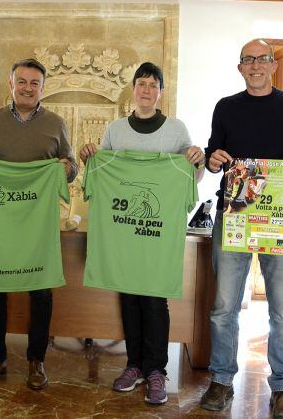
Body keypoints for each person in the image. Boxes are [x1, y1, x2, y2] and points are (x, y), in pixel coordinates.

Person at [201, 39, 283, 418]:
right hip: (235, 215)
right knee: (224, 307)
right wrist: (214, 159)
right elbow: (211, 157)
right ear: (240, 67)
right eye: (248, 60)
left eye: (263, 59)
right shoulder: (226, 107)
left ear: (273, 65)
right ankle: (221, 379)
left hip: (279, 216)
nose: (256, 65)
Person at [79, 62, 205, 405]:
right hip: (123, 234)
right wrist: (88, 156)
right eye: (141, 84)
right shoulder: (115, 131)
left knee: (154, 299)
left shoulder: (177, 130)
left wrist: (197, 160)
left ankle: (156, 371)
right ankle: (134, 365)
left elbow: (191, 181)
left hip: (158, 235)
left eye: (153, 85)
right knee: (129, 296)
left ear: (161, 92)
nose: (146, 90)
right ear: (133, 89)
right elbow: (99, 173)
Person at [0, 58, 77, 391]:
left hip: (38, 224)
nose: (27, 88)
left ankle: (36, 361)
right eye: (22, 81)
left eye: (34, 83)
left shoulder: (56, 123)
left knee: (41, 290)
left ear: (43, 88)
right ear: (11, 83)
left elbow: (71, 167)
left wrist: (64, 167)